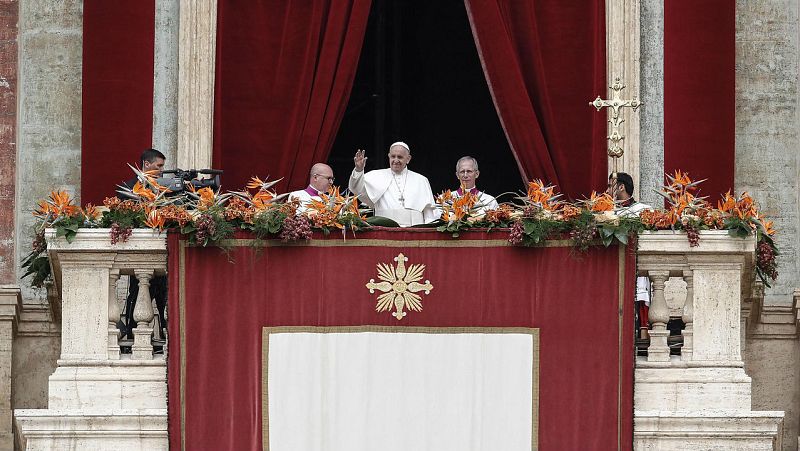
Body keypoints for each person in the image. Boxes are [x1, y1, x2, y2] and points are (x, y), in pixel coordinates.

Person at [116, 149, 168, 344]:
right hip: (139, 252)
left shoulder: (166, 188)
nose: (162, 171)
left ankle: (163, 328)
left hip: (161, 249)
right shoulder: (127, 188)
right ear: (147, 164)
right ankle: (131, 330)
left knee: (163, 292)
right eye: (159, 166)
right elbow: (120, 214)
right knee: (137, 292)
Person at [608, 171, 652, 339]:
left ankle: (643, 332)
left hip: (636, 260)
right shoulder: (608, 212)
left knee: (641, 289)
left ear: (621, 187)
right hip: (614, 262)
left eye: (610, 186)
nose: (608, 190)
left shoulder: (643, 210)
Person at [349, 142, 437, 226]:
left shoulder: (421, 180)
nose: (396, 160)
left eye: (400, 157)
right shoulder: (376, 176)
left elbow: (429, 212)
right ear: (389, 156)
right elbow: (357, 189)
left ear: (408, 159)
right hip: (385, 231)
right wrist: (359, 170)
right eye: (393, 156)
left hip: (415, 231)